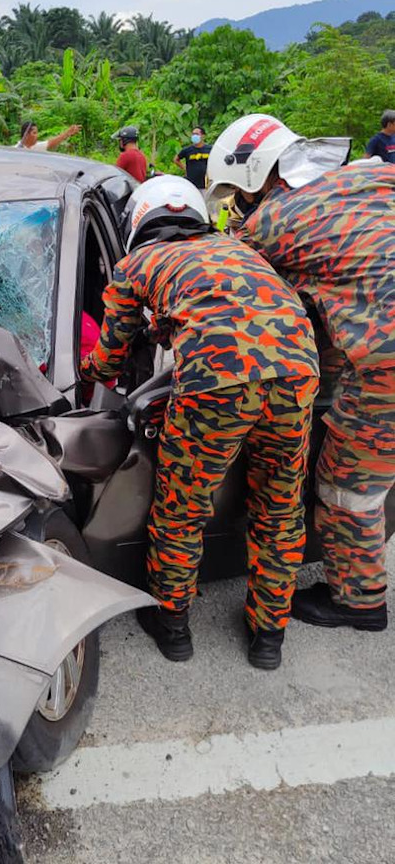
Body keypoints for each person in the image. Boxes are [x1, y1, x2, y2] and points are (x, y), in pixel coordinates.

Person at [81, 176, 319, 670]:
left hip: (217, 381)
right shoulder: (237, 248)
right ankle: (268, 637)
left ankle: (173, 626)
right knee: (279, 507)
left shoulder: (137, 263)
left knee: (183, 506)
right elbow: (235, 306)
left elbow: (108, 357)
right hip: (298, 371)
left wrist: (86, 373)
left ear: (140, 221)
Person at [208, 113, 395, 633]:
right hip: (379, 351)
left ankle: (359, 602)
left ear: (257, 180)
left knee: (347, 483)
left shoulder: (269, 224)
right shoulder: (370, 174)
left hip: (387, 363)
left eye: (237, 195)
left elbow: (232, 283)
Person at [15, 121, 81, 152]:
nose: (37, 136)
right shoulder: (15, 150)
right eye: (34, 133)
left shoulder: (36, 147)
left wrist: (68, 133)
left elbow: (52, 142)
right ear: (26, 135)